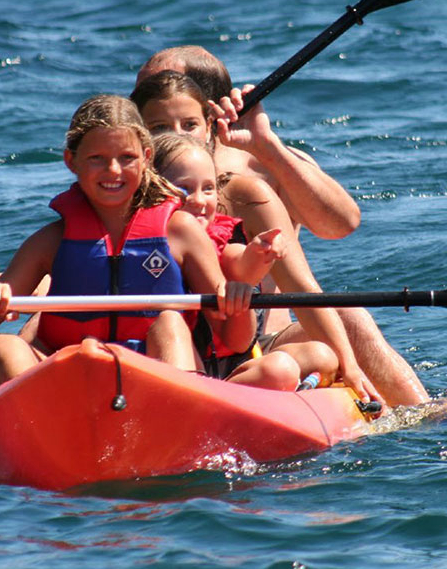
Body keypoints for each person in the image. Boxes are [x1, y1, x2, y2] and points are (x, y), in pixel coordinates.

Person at [0, 94, 257, 434]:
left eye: (127, 158)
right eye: (97, 159)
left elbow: (236, 340)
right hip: (72, 383)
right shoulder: (50, 241)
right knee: (4, 344)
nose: (113, 171)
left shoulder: (180, 230)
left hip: (157, 380)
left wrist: (238, 304)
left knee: (169, 321)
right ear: (71, 161)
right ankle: (53, 430)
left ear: (146, 157)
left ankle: (177, 423)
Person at [132, 62, 429, 408]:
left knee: (345, 320)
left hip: (249, 346)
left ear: (210, 120)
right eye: (158, 126)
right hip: (157, 346)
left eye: (189, 124)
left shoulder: (247, 188)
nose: (178, 134)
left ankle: (425, 415)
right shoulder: (117, 194)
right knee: (169, 324)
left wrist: (267, 146)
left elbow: (340, 228)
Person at [152, 131, 355, 395]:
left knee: (320, 355)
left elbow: (238, 262)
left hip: (227, 366)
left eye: (208, 188)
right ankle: (207, 397)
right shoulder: (141, 241)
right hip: (175, 363)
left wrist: (259, 254)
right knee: (280, 369)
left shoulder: (223, 242)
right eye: (184, 189)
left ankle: (220, 396)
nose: (199, 200)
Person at [136, 45, 360, 241]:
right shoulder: (133, 167)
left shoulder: (265, 165)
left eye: (156, 90)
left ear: (207, 110)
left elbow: (341, 225)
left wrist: (267, 146)